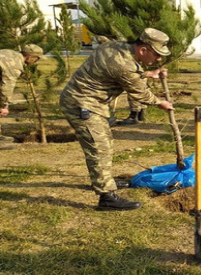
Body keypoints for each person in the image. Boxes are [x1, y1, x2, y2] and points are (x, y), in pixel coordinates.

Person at [59, 28, 175, 211]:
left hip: (89, 103)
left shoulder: (116, 47)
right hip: (82, 104)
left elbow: (118, 72)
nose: (159, 59)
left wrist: (147, 74)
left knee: (104, 144)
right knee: (99, 147)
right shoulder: (125, 65)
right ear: (143, 50)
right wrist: (160, 102)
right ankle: (106, 197)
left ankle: (103, 181)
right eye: (157, 54)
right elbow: (140, 93)